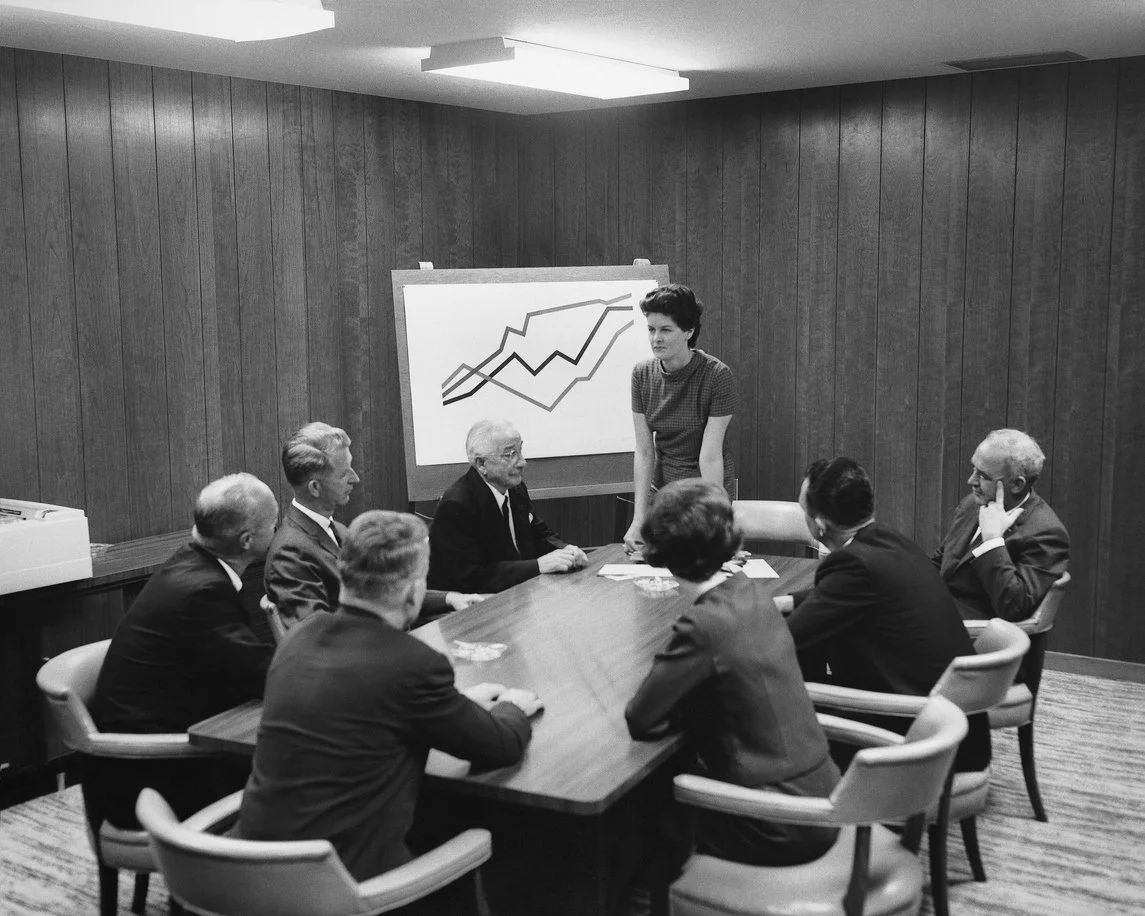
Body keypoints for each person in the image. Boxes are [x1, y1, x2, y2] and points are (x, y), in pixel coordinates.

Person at [238, 510, 540, 890]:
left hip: (249, 874)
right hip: (345, 886)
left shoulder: (299, 637)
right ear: (414, 592)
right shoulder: (414, 664)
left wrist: (457, 701)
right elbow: (500, 746)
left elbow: (369, 701)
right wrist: (512, 705)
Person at [626, 479, 839, 869]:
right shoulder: (750, 591)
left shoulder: (704, 624)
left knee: (642, 812)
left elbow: (640, 717)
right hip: (824, 793)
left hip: (777, 821)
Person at [88, 473, 279, 827]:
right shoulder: (203, 592)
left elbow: (240, 665)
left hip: (163, 738)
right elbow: (261, 675)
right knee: (301, 773)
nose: (277, 531)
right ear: (248, 540)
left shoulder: (191, 562)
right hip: (152, 774)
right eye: (274, 524)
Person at [776, 457, 990, 772]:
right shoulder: (889, 542)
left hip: (918, 745)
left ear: (819, 523)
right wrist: (783, 603)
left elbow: (783, 642)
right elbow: (846, 595)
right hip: (952, 729)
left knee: (761, 707)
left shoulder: (852, 565)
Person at [265, 421, 481, 630]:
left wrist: (450, 598)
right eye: (344, 474)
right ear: (314, 487)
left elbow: (386, 590)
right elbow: (316, 635)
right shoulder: (290, 552)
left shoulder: (338, 529)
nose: (356, 478)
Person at [624, 284, 737, 553]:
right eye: (651, 329)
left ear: (688, 331)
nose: (656, 339)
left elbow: (709, 457)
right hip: (661, 492)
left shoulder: (717, 376)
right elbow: (643, 451)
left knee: (700, 564)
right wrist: (639, 518)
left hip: (704, 490)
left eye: (666, 330)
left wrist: (715, 519)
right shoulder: (641, 374)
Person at [427, 418, 588, 593]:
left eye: (520, 451)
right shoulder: (457, 506)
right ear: (481, 464)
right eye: (510, 454)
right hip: (472, 608)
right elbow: (470, 578)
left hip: (517, 594)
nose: (522, 462)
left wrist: (565, 550)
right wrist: (537, 566)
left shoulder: (515, 488)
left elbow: (538, 534)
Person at [933, 428, 1070, 622]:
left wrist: (992, 543)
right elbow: (941, 563)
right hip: (935, 615)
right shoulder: (973, 504)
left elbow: (1015, 608)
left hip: (979, 637)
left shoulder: (1046, 533)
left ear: (1017, 484)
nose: (971, 481)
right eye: (973, 469)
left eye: (983, 476)